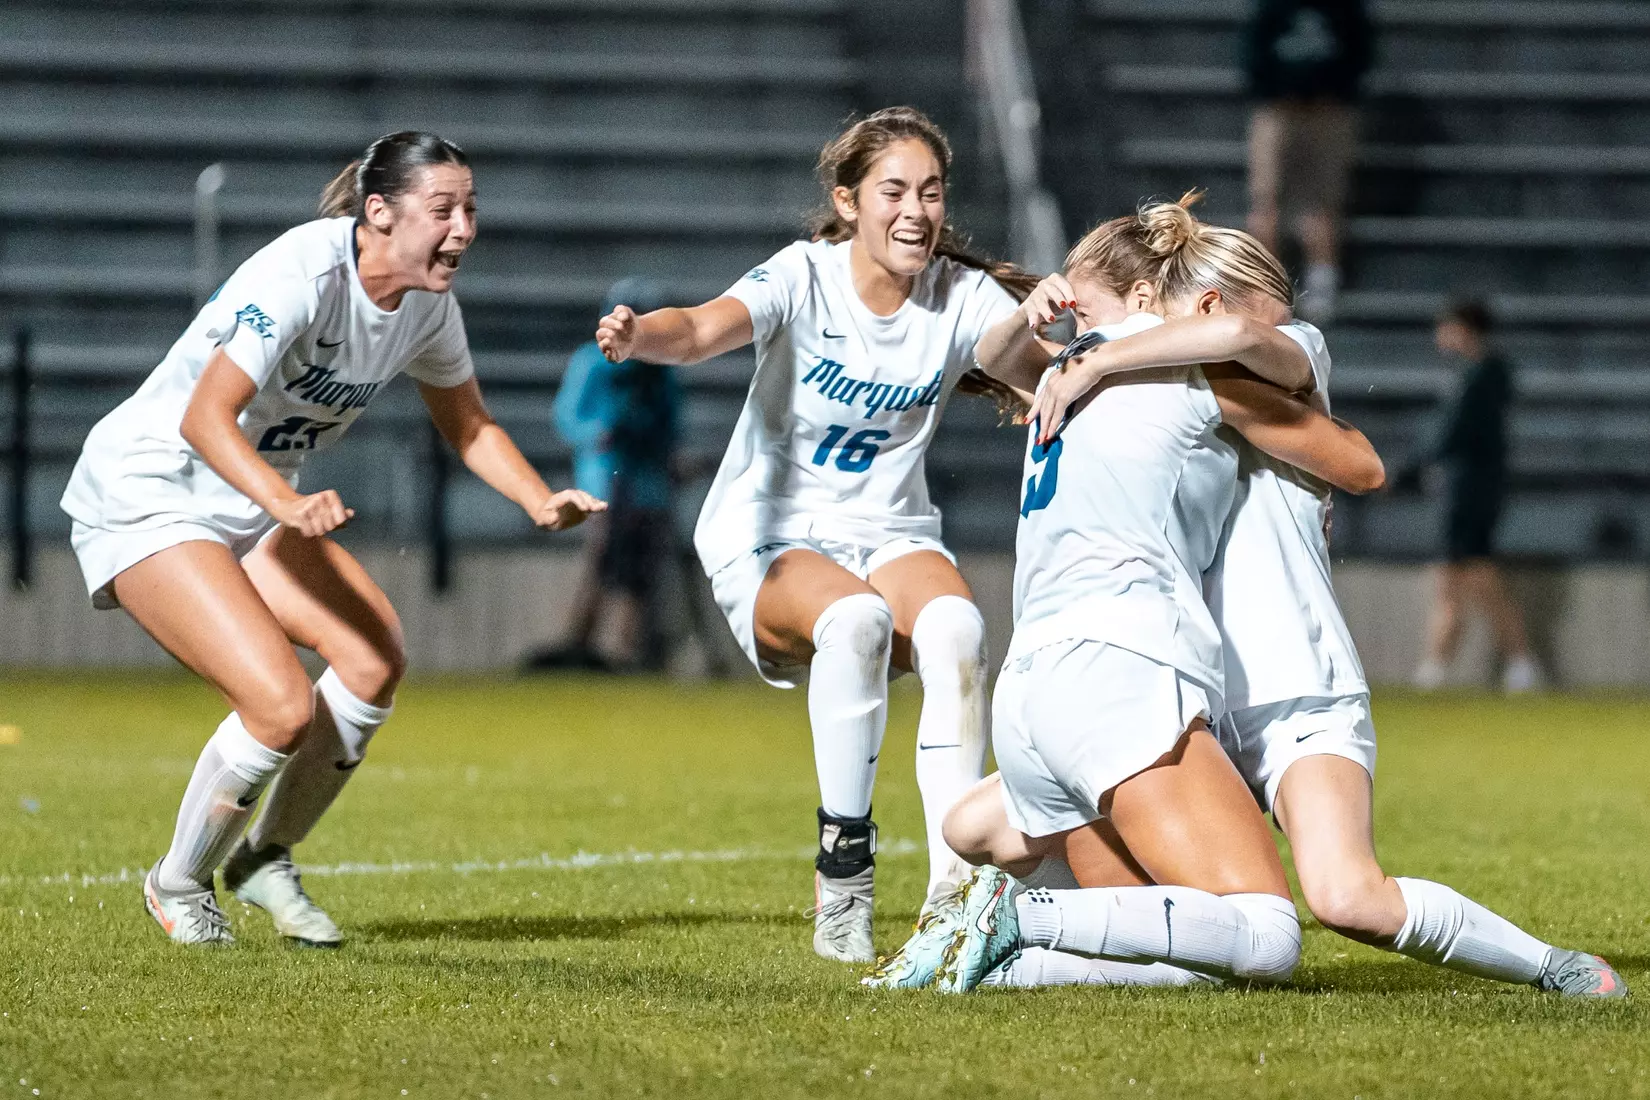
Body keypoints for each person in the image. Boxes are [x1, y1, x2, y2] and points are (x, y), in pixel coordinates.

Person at [882, 211, 1624, 1000]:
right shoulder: (1152, 378)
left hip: (1288, 682)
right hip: (1173, 685)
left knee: (1341, 897)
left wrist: (1089, 356)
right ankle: (1012, 936)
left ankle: (1554, 969)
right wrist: (1073, 351)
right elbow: (1013, 358)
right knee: (1202, 940)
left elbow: (1353, 456)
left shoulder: (1276, 347)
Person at [59, 131, 604, 947]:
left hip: (253, 506)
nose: (463, 229)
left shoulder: (427, 305)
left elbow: (469, 424)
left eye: (471, 209)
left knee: (374, 659)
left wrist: (538, 499)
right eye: (444, 209)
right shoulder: (301, 274)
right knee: (279, 707)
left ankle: (263, 856)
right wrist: (286, 501)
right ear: (378, 212)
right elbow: (203, 418)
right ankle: (177, 882)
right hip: (151, 489)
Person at [867, 197, 1386, 993]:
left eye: (1075, 301)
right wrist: (1084, 343)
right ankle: (1022, 917)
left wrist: (1052, 337)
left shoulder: (1082, 378)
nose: (1067, 324)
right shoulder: (1157, 369)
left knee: (1182, 949)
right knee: (1265, 937)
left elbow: (995, 357)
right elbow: (1359, 464)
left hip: (1037, 684)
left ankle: (1000, 955)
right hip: (1124, 668)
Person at [593, 106, 1040, 963]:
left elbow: (1021, 368)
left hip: (891, 529)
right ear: (848, 202)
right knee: (857, 622)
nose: (916, 212)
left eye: (932, 193)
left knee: (957, 630)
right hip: (771, 533)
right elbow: (695, 329)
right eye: (894, 192)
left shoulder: (961, 294)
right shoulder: (803, 275)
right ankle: (844, 878)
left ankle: (955, 893)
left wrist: (1040, 324)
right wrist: (637, 334)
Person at [528, 277, 680, 672]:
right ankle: (582, 643)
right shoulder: (591, 362)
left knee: (642, 570)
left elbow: (671, 427)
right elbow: (568, 417)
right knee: (602, 561)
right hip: (605, 479)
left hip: (647, 483)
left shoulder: (661, 370)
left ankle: (630, 650)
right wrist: (601, 432)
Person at [1411, 300, 1544, 693]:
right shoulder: (1484, 375)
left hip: (1467, 491)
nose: (1440, 337)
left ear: (1464, 328)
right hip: (1476, 488)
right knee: (1467, 576)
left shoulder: (1477, 378)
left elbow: (1450, 435)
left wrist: (1403, 471)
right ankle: (1450, 665)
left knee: (1465, 576)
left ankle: (1448, 667)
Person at [1243, 0, 1373, 324]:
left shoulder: (1344, 8)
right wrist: (1277, 87)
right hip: (1277, 108)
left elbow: (1360, 51)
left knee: (1323, 201)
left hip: (1328, 111)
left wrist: (1334, 90)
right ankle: (1266, 285)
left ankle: (1322, 280)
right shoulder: (1273, 7)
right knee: (1266, 199)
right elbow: (1252, 51)